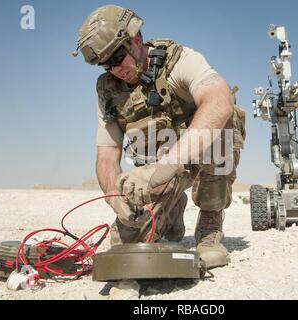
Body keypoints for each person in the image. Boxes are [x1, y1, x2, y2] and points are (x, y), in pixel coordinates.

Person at [74, 5, 246, 269]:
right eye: (105, 64)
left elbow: (219, 102)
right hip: (153, 169)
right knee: (126, 248)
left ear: (136, 40)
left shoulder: (180, 60)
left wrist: (165, 168)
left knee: (225, 119)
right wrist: (113, 196)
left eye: (118, 57)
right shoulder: (108, 90)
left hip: (190, 157)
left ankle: (210, 224)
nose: (114, 69)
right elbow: (107, 153)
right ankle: (170, 212)